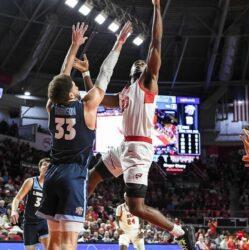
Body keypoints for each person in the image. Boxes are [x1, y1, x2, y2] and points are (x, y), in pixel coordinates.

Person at [75, 0, 194, 248]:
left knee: (135, 207)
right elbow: (96, 99)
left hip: (140, 149)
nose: (141, 63)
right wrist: (87, 74)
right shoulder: (125, 93)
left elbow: (156, 43)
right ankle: (74, 216)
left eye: (144, 63)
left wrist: (157, 9)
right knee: (91, 177)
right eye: (137, 63)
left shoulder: (148, 83)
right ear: (131, 70)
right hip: (124, 146)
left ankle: (181, 233)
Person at [36, 21, 132, 250]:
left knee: (53, 243)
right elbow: (105, 74)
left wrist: (73, 46)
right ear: (71, 92)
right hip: (73, 176)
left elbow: (61, 76)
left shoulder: (52, 106)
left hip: (52, 176)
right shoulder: (87, 106)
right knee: (68, 243)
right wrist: (118, 44)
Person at [11, 158, 50, 249]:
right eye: (44, 164)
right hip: (30, 223)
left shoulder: (52, 185)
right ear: (40, 168)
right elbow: (17, 199)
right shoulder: (31, 181)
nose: (47, 167)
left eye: (49, 166)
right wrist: (14, 210)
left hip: (45, 222)